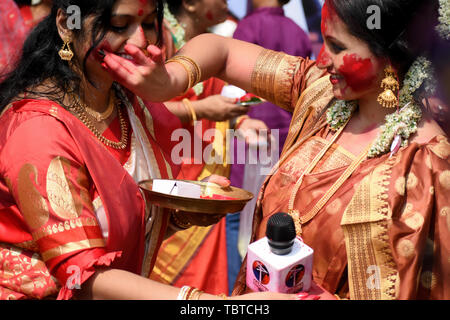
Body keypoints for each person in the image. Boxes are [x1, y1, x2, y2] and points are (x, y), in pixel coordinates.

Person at [102, 0, 450, 299]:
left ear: (390, 55)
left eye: (338, 47)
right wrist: (169, 81)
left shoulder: (427, 167)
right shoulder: (320, 95)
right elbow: (221, 52)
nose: (322, 59)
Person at [0, 0, 302, 300]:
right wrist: (214, 307)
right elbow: (82, 277)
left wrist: (188, 210)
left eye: (147, 25)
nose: (140, 42)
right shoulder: (37, 128)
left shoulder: (126, 104)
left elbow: (128, 226)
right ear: (68, 24)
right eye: (119, 26)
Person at [150, 0, 258, 296]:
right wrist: (202, 109)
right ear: (191, 4)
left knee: (204, 281)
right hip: (173, 175)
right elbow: (142, 109)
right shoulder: (161, 39)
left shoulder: (208, 44)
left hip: (205, 174)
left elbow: (212, 104)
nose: (227, 2)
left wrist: (241, 121)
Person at [225, 0, 313, 292]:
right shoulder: (298, 32)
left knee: (237, 214)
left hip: (251, 136)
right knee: (274, 214)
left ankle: (235, 291)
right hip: (287, 140)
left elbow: (235, 90)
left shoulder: (248, 27)